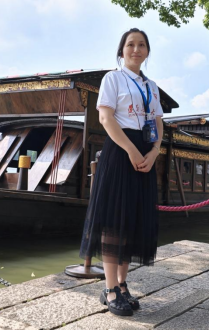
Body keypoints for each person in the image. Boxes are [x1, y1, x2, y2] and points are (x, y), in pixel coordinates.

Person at [79, 28, 163, 316]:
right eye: (130, 44)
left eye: (141, 45)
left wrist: (154, 151)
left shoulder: (151, 86)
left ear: (147, 51)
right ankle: (110, 288)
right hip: (120, 150)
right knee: (114, 221)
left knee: (133, 220)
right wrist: (131, 150)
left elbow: (158, 122)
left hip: (145, 152)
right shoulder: (113, 79)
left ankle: (123, 285)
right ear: (121, 50)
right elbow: (106, 118)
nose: (136, 49)